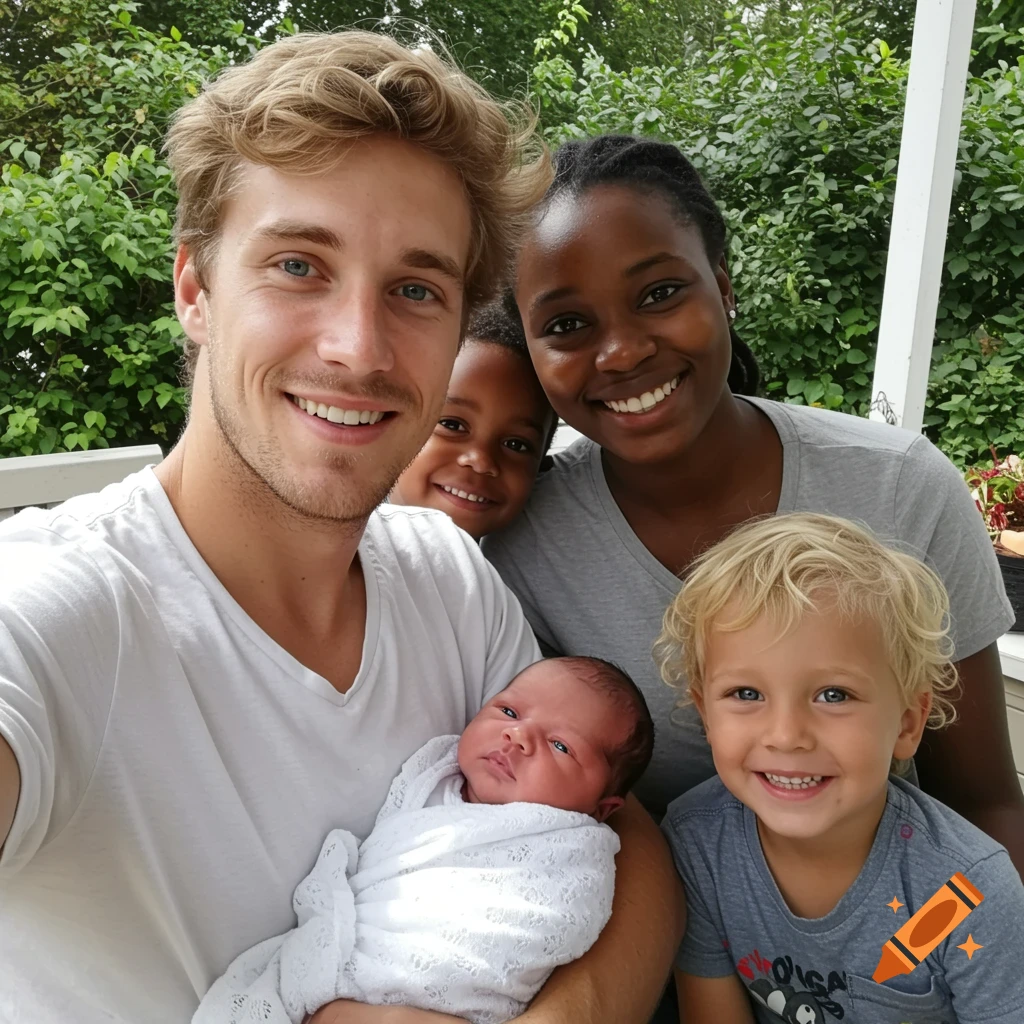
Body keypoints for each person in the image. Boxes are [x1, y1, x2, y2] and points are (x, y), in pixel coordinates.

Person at [0, 44, 682, 1024]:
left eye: (415, 289)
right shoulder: (63, 613)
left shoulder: (447, 582)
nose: (357, 347)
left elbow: (624, 841)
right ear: (194, 288)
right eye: (297, 265)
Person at [483, 133, 1024, 873]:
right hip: (661, 951)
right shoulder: (526, 541)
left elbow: (985, 803)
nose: (621, 352)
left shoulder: (899, 488)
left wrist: (946, 965)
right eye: (568, 325)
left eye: (659, 293)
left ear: (725, 290)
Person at [656, 513, 1024, 1023]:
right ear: (705, 714)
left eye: (834, 695)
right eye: (746, 693)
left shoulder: (962, 894)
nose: (785, 735)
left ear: (908, 724)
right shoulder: (697, 845)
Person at [194, 657, 654, 1024]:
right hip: (345, 966)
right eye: (509, 712)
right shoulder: (430, 781)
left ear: (601, 808)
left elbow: (540, 925)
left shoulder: (569, 853)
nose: (517, 735)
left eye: (561, 746)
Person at [390, 294, 557, 539]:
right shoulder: (335, 556)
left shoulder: (511, 570)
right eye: (452, 425)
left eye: (516, 444)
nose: (480, 460)